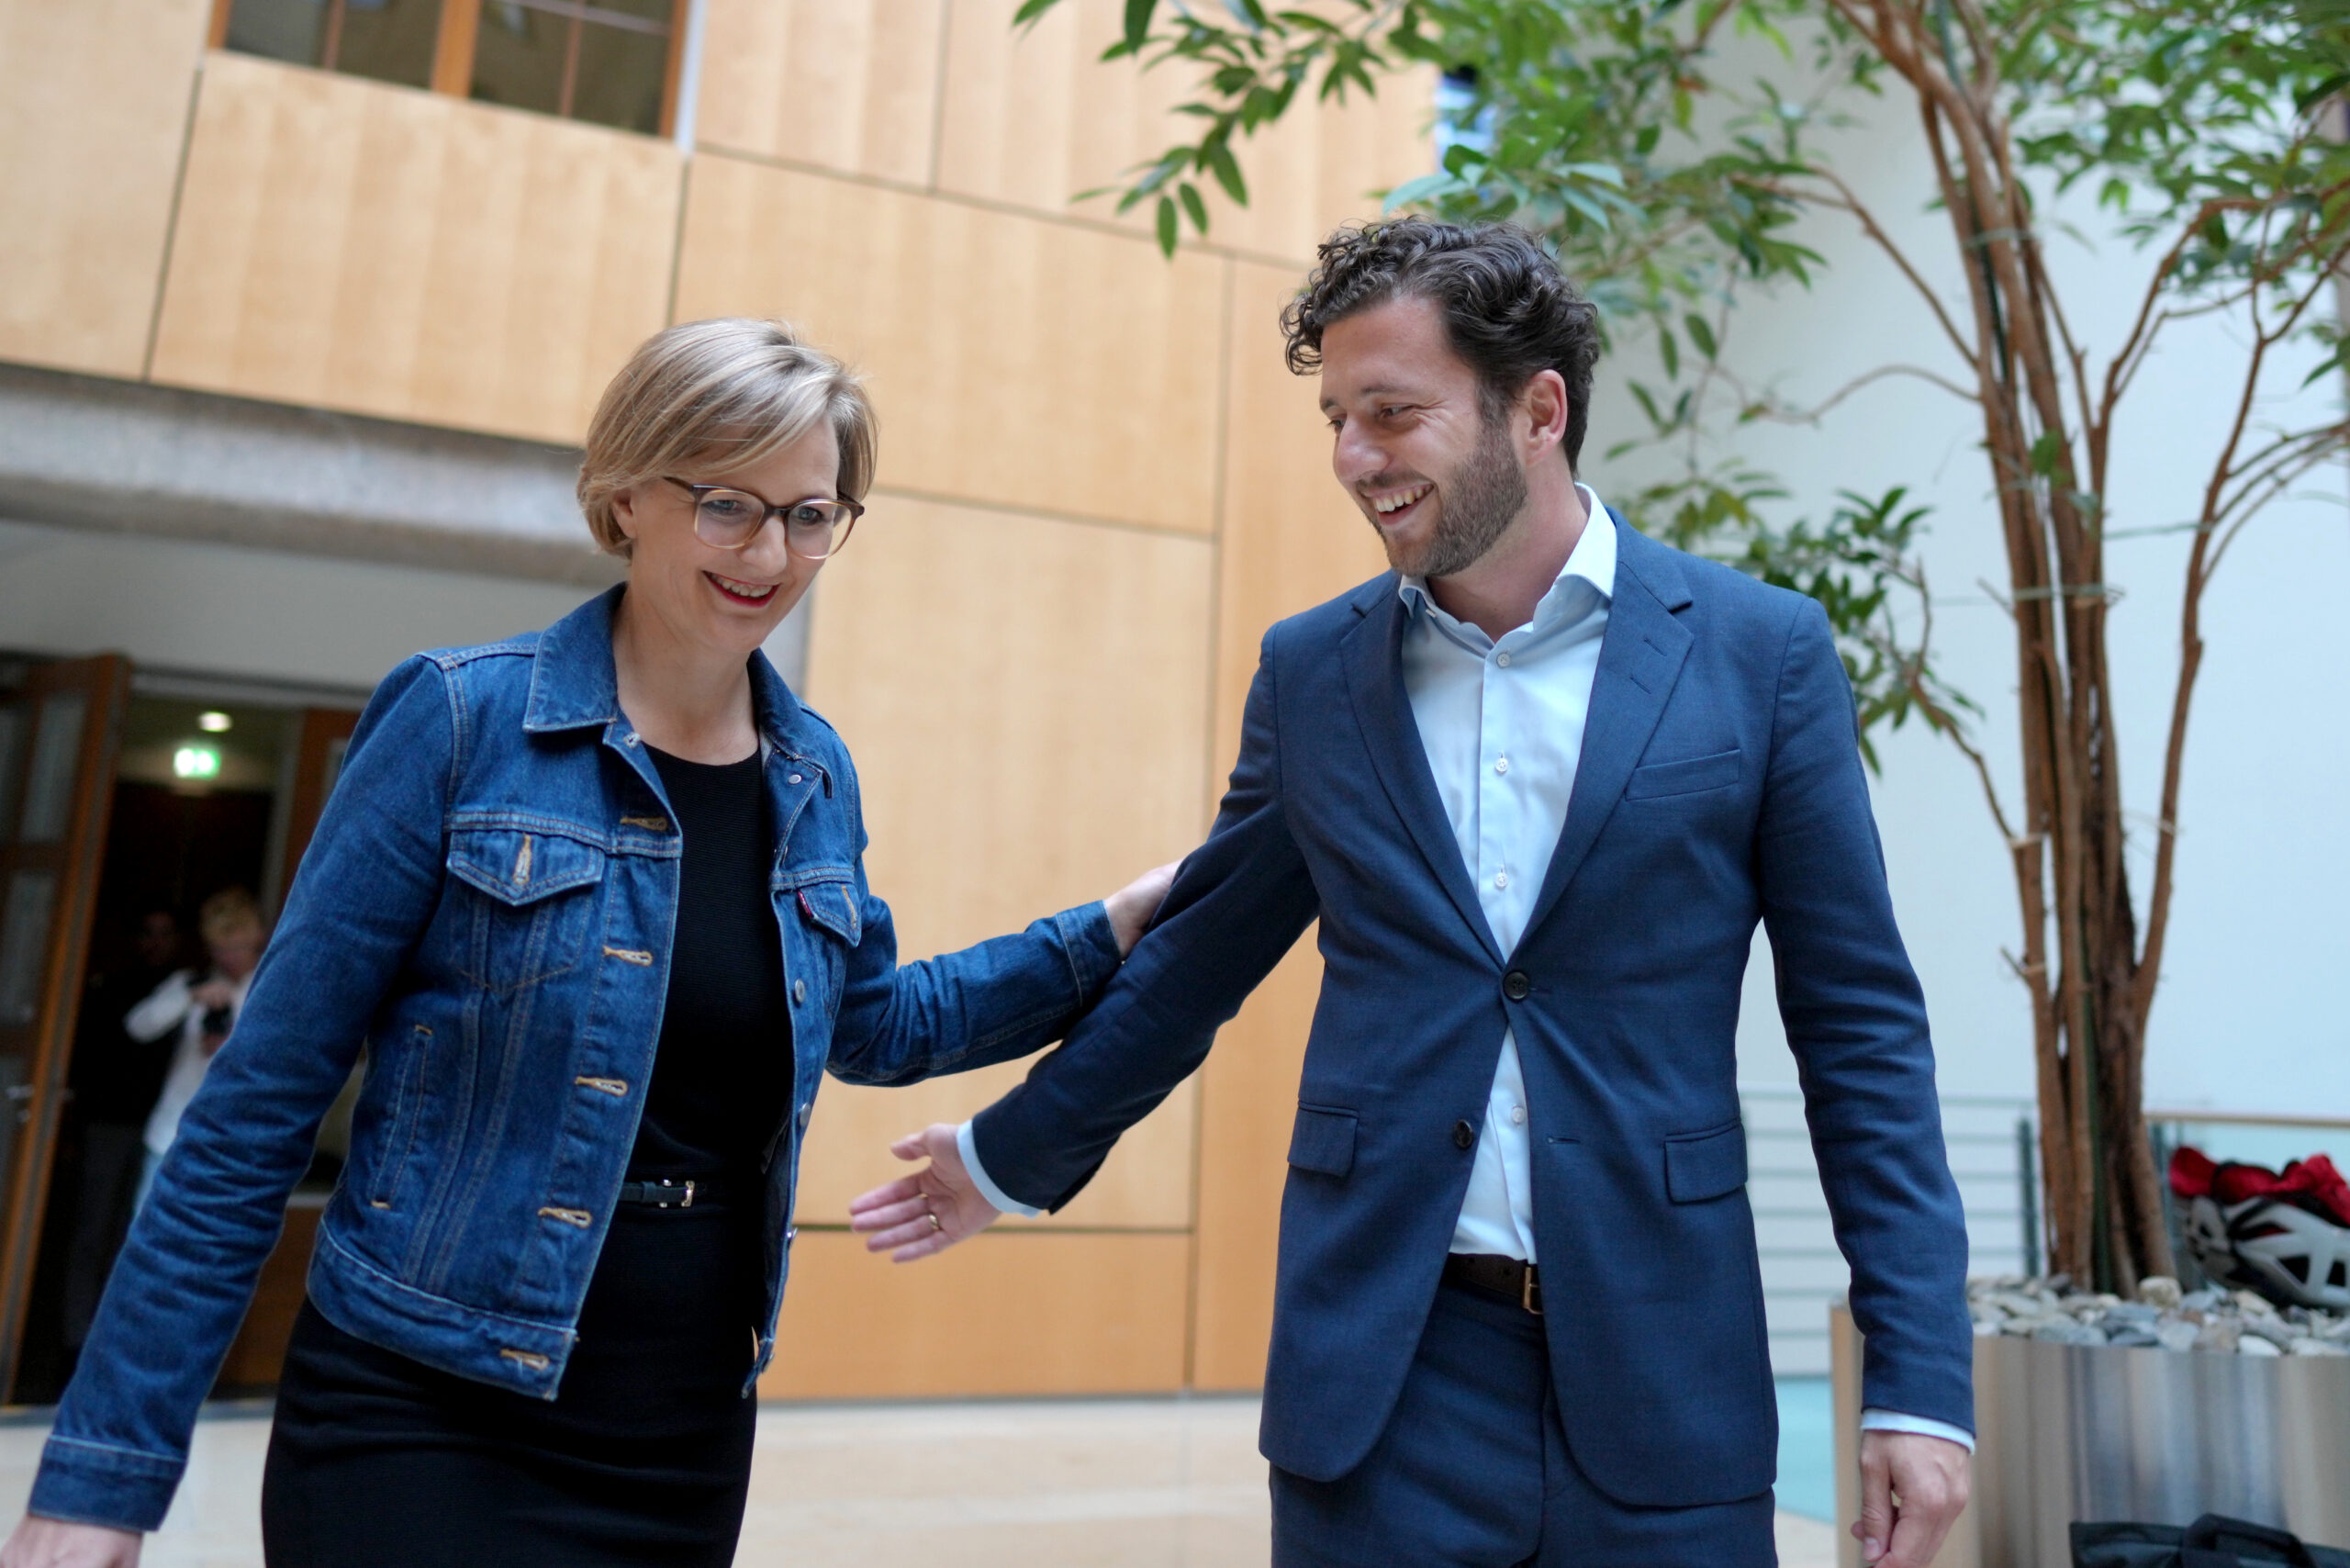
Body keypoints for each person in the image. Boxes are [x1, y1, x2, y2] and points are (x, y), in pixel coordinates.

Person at [851, 219, 1975, 1568]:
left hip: (1665, 1373)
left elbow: (1858, 1028)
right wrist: (1009, 1159)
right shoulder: (1316, 672)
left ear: (1538, 409)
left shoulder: (1760, 655)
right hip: (1384, 1380)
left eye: (1391, 414)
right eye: (1335, 418)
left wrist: (1918, 1380)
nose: (1351, 459)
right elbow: (1199, 960)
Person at [3, 318, 1175, 1568]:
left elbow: (879, 1023)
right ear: (627, 496)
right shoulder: (462, 720)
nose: (772, 553)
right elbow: (259, 1103)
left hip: (678, 1428)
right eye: (728, 505)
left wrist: (1118, 926)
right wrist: (102, 1479)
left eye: (812, 514)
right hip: (425, 1407)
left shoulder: (811, 772)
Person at [58, 909, 185, 1357]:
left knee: (134, 1235)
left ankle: (111, 1339)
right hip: (109, 1123)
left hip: (160, 1129)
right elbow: (90, 1058)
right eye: (147, 934)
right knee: (92, 1230)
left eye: (164, 935)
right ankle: (76, 1340)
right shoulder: (111, 989)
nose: (155, 943)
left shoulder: (187, 991)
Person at [125, 889, 266, 1209]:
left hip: (236, 1143)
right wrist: (190, 998)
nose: (229, 958)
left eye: (237, 948)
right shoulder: (192, 983)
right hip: (171, 1134)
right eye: (220, 949)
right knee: (147, 1232)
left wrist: (231, 1042)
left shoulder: (271, 993)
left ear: (258, 939)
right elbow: (138, 1026)